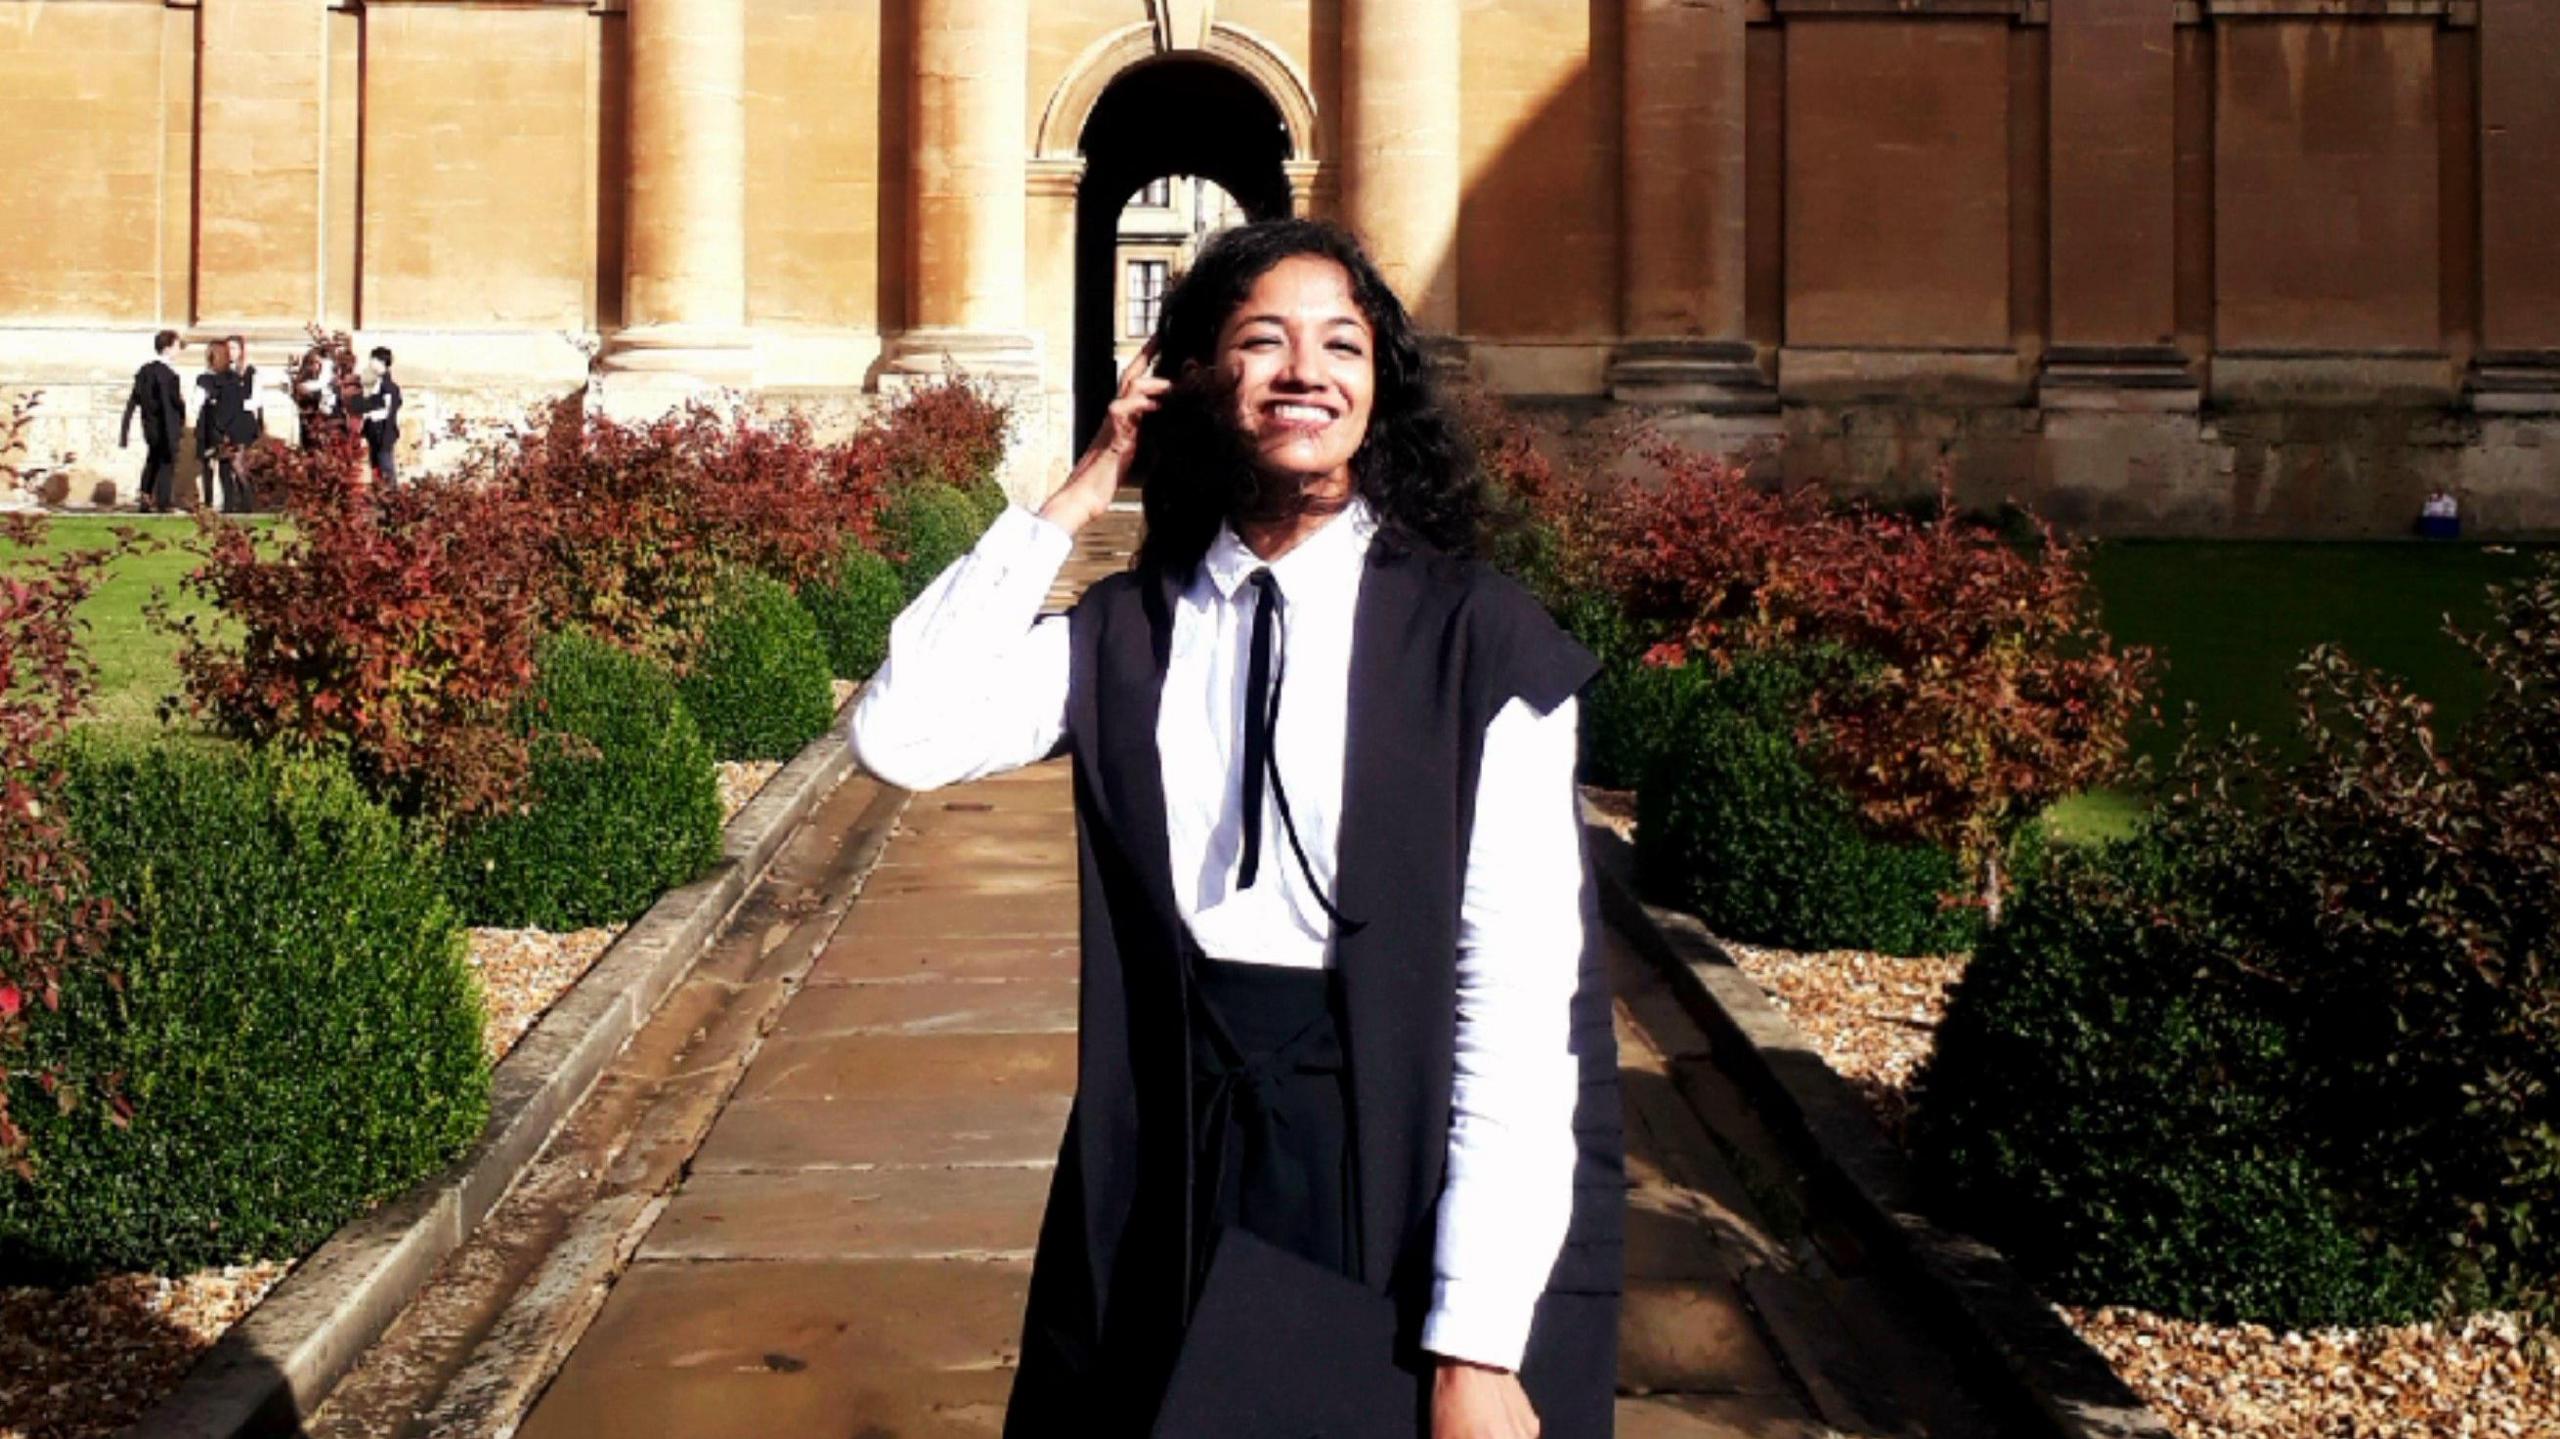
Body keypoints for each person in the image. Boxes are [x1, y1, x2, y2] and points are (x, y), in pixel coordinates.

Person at [850, 219, 1622, 1438]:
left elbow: (1517, 1006)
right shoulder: (1129, 632)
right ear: (1197, 380)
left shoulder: (1480, 644)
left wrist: (1477, 1340)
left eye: (1342, 344)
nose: (1306, 370)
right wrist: (1079, 485)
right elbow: (903, 731)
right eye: (1261, 340)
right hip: (1168, 1149)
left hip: (1382, 1152)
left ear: (1380, 386)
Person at [120, 329, 186, 512]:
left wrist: (124, 431)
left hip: (150, 426)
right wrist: (175, 426)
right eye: (177, 346)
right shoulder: (167, 375)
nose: (179, 350)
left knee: (153, 460)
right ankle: (164, 502)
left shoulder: (145, 371)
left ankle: (145, 497)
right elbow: (168, 403)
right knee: (166, 462)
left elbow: (133, 401)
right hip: (166, 426)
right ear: (167, 348)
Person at [353, 346, 403, 487]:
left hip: (383, 432)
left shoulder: (389, 386)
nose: (370, 363)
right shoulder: (377, 383)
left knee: (385, 467)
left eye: (373, 359)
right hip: (374, 432)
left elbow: (389, 410)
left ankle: (390, 498)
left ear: (381, 362)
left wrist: (372, 413)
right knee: (376, 466)